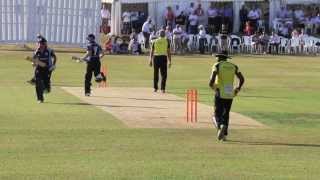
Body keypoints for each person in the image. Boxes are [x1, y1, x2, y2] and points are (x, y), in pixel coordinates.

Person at [209, 51, 245, 141]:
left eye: (217, 57)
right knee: (226, 113)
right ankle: (224, 135)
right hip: (229, 92)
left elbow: (212, 80)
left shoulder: (217, 65)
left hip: (219, 91)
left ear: (220, 57)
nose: (216, 58)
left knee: (217, 113)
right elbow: (242, 79)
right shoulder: (233, 66)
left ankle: (221, 126)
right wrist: (237, 88)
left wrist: (212, 86)